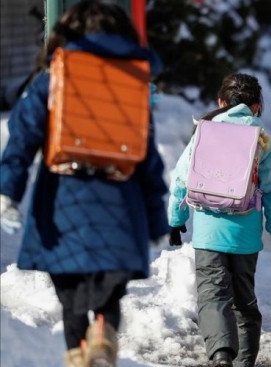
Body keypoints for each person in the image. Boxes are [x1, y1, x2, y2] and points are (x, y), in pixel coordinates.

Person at [0, 1, 167, 366]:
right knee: (109, 292)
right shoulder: (133, 84)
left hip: (63, 201)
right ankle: (104, 330)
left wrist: (6, 191)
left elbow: (22, 138)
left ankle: (76, 353)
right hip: (119, 202)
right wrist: (157, 217)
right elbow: (147, 159)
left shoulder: (52, 78)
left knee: (70, 292)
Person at [167, 73, 271, 367]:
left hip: (209, 233)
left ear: (221, 102)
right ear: (257, 106)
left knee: (212, 297)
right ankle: (244, 362)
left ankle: (221, 354)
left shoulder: (205, 131)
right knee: (244, 303)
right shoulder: (262, 139)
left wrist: (176, 218)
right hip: (245, 237)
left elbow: (181, 177)